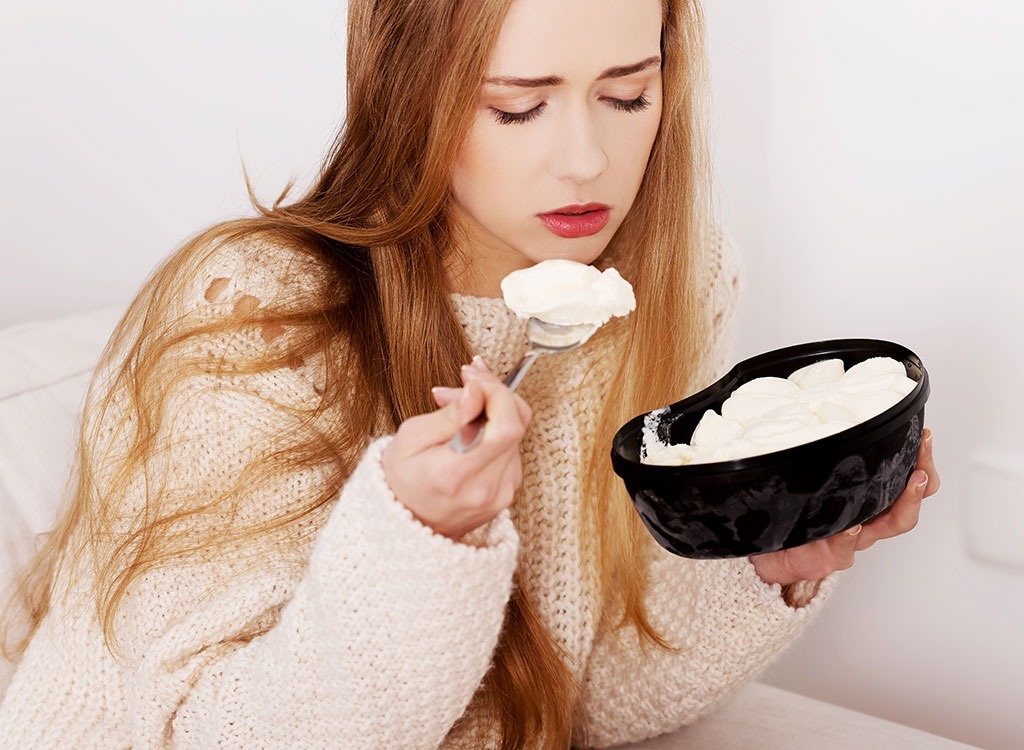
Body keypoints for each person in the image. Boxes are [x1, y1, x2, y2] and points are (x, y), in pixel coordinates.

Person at [0, 0, 940, 747]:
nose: (586, 162)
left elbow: (560, 695)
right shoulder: (258, 310)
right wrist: (418, 539)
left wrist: (766, 566)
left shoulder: (672, 279)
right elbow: (204, 734)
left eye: (627, 95)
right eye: (515, 106)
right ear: (412, 94)